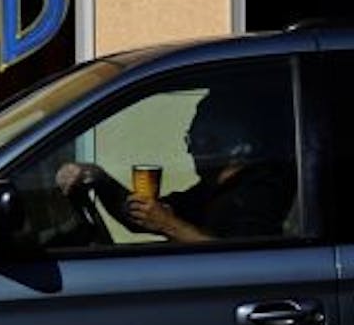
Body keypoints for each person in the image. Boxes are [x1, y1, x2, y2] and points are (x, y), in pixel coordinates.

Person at [55, 87, 295, 243]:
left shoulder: (261, 191)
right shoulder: (209, 191)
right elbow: (141, 217)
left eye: (205, 139)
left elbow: (244, 263)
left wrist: (168, 225)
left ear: (242, 146)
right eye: (190, 139)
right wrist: (99, 179)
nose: (191, 149)